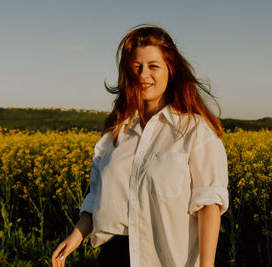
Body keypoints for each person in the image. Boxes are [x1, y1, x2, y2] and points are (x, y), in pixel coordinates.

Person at [51, 24, 229, 267]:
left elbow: (209, 205)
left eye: (153, 66)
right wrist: (76, 235)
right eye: (137, 67)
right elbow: (97, 197)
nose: (144, 74)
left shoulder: (195, 131)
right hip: (115, 257)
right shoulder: (115, 134)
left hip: (167, 260)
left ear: (171, 70)